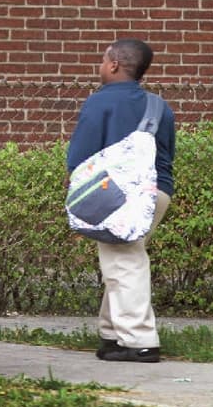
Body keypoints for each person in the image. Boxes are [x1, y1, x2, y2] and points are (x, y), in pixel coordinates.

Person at [65, 38, 176, 363]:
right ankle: (112, 334)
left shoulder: (99, 103)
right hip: (157, 192)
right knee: (120, 259)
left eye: (103, 60)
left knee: (126, 262)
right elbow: (167, 155)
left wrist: (73, 191)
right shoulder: (159, 106)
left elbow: (80, 159)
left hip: (113, 196)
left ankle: (140, 341)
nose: (100, 66)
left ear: (113, 64)